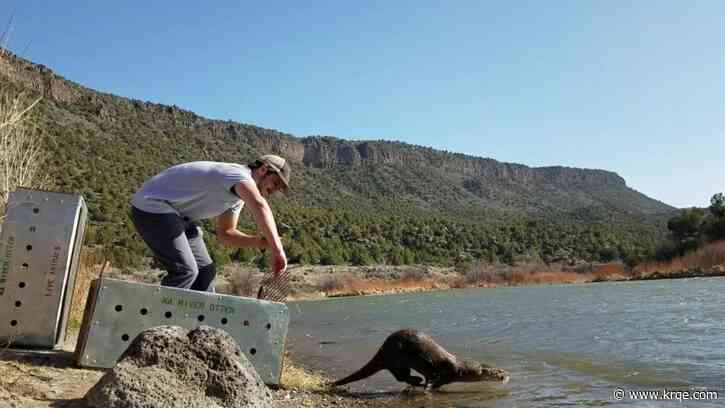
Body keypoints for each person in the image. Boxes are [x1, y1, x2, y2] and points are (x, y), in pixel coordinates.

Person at [129, 155, 290, 292]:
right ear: (263, 169)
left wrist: (264, 242)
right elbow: (259, 205)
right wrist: (278, 250)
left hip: (179, 216)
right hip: (151, 207)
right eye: (275, 183)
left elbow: (226, 234)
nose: (274, 190)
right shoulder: (238, 175)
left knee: (206, 271)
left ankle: (198, 326)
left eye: (279, 188)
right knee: (186, 271)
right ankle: (158, 322)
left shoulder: (236, 197)